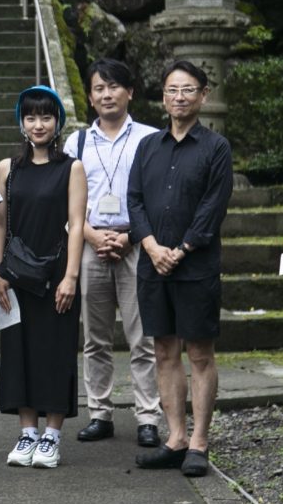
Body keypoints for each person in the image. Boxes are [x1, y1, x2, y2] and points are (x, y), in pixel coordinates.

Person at [128, 60, 232, 478]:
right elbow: (134, 200)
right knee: (163, 351)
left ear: (203, 95)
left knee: (200, 353)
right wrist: (152, 246)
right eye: (172, 90)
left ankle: (200, 442)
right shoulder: (148, 146)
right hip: (153, 265)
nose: (179, 97)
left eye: (188, 90)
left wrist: (182, 248)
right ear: (163, 97)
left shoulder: (215, 147)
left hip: (196, 266)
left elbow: (213, 207)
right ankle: (175, 437)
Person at [63, 59, 162, 448]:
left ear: (130, 91)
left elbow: (157, 200)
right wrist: (89, 236)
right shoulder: (77, 143)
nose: (107, 94)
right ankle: (99, 413)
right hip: (89, 244)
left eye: (114, 86)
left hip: (136, 244)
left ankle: (148, 417)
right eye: (99, 88)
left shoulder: (151, 139)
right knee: (95, 338)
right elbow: (66, 202)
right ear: (90, 97)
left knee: (143, 338)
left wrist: (130, 237)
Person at [0, 86, 86, 469]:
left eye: (46, 116)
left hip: (57, 273)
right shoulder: (7, 169)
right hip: (16, 274)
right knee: (19, 351)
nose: (38, 124)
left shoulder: (72, 168)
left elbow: (78, 224)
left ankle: (52, 435)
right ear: (21, 122)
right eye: (31, 117)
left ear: (57, 121)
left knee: (56, 351)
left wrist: (71, 277)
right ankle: (27, 432)